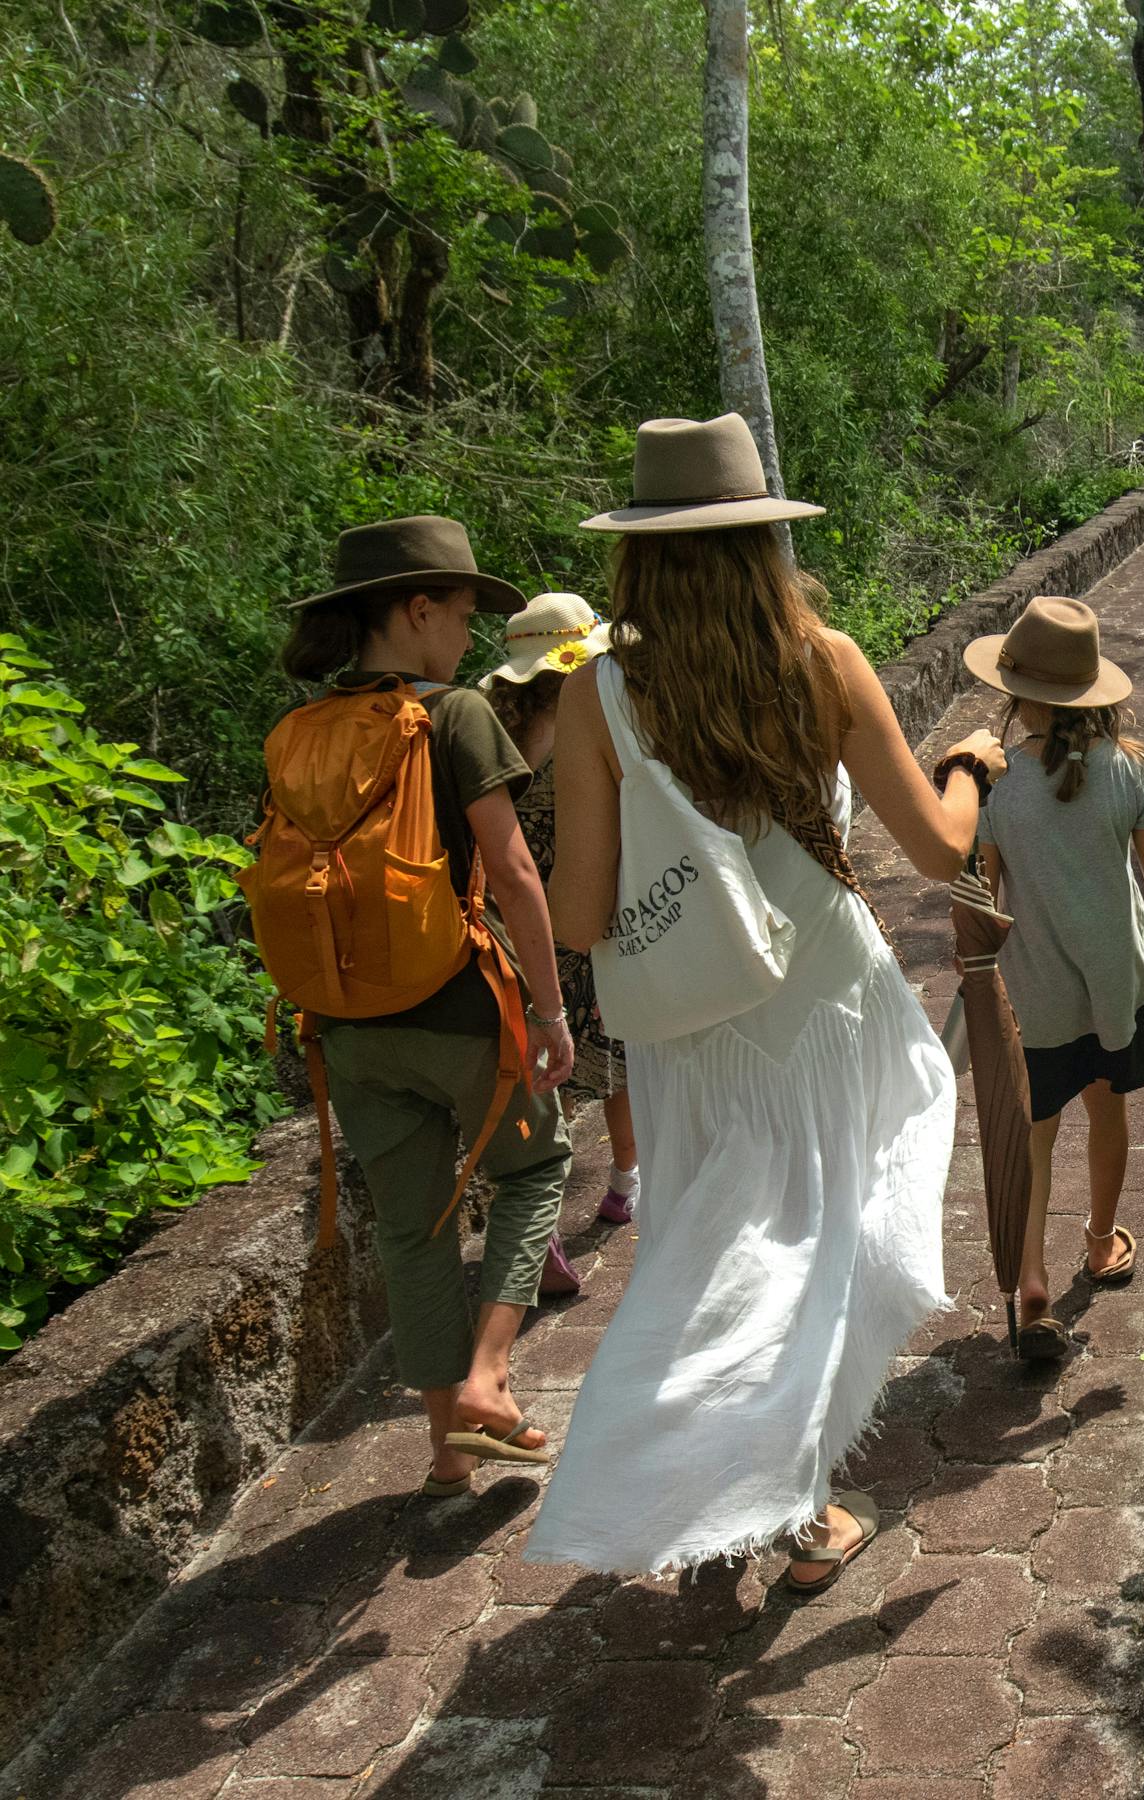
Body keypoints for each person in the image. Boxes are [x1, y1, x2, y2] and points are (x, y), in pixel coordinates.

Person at [523, 414, 1007, 1588]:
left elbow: (579, 916)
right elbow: (941, 853)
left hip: (690, 1027)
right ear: (763, 545)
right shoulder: (824, 662)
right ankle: (784, 1505)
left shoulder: (599, 696)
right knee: (821, 1245)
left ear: (637, 552)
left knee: (713, 1254)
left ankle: (728, 1492)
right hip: (830, 1007)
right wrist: (972, 767)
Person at [267, 516, 576, 1495]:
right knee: (537, 1169)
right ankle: (488, 1379)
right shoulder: (454, 716)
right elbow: (514, 871)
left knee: (413, 1231)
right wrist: (554, 1011)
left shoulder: (297, 733)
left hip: (347, 1029)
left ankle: (448, 1452)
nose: (468, 638)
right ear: (414, 609)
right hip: (457, 1008)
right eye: (458, 614)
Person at [961, 596, 1144, 1360]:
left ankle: (1032, 1283)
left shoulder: (998, 786)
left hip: (1033, 996)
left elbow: (986, 898)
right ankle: (1101, 1243)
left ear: (1018, 696)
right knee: (1109, 1113)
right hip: (1118, 988)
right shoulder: (1131, 771)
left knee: (1035, 1138)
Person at [479, 591, 642, 1302]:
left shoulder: (484, 732)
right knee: (615, 1059)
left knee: (542, 1079)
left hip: (507, 932)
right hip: (585, 919)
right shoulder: (595, 719)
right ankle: (624, 1184)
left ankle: (539, 1227)